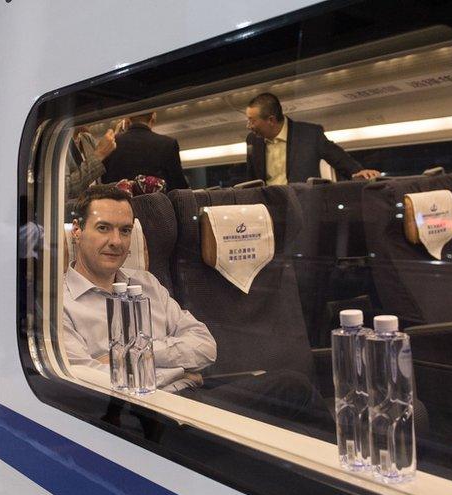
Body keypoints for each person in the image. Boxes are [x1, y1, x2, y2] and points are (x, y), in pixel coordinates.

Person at [62, 185, 333, 436]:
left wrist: (133, 355)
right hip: (143, 418)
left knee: (292, 386)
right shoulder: (61, 302)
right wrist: (175, 367)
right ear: (77, 230)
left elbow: (205, 346)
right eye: (103, 228)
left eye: (124, 230)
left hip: (191, 398)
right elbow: (89, 382)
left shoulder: (146, 283)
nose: (116, 241)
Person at [244, 92, 381, 184]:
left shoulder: (309, 135)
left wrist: (358, 172)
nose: (248, 126)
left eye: (252, 120)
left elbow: (338, 157)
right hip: (269, 209)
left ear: (271, 120)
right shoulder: (253, 140)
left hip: (303, 208)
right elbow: (252, 179)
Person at [102, 112, 189, 190]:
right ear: (153, 117)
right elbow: (178, 184)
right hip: (155, 205)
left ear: (127, 119)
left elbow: (104, 181)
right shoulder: (168, 143)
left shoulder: (111, 144)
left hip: (119, 205)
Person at [65, 126, 117, 199]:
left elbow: (96, 181)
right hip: (76, 208)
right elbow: (67, 190)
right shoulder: (61, 145)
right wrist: (99, 154)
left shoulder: (86, 138)